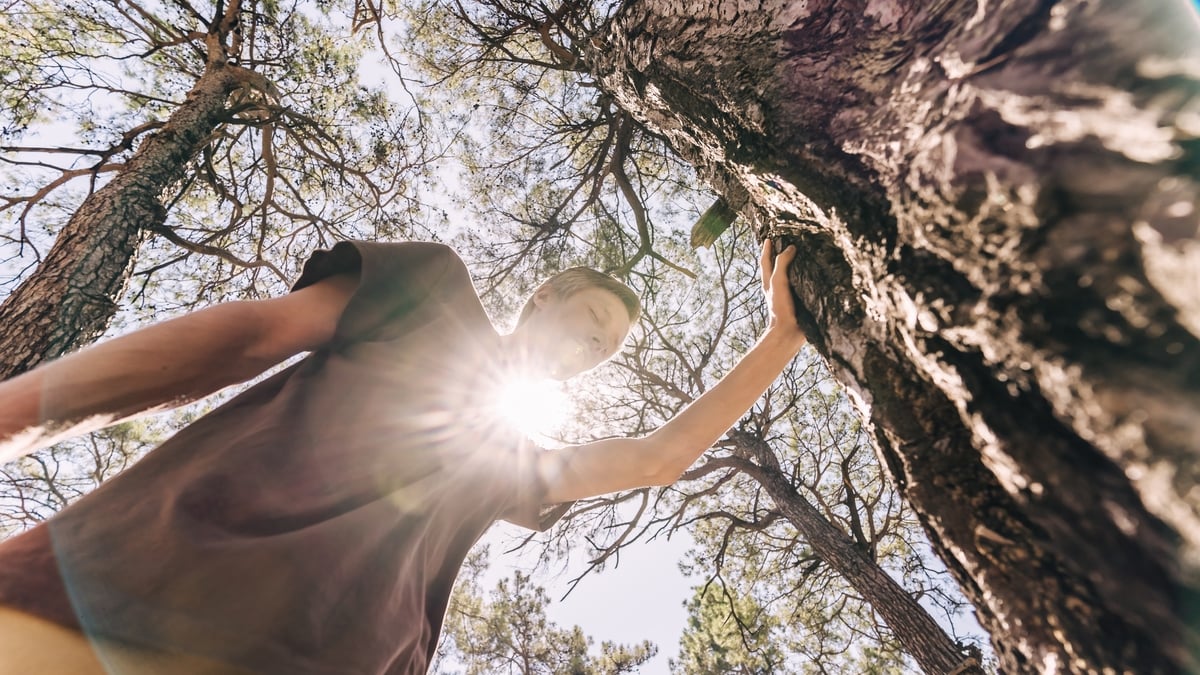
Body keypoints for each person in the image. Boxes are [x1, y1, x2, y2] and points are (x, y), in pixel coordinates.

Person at [0, 238, 805, 674]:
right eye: (592, 317)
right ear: (542, 297)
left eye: (608, 346)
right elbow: (251, 332)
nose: (595, 344)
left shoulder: (513, 462)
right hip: (123, 590)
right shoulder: (432, 290)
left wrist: (782, 338)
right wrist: (12, 417)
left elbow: (658, 457)